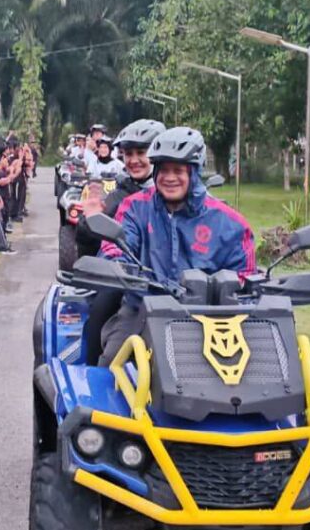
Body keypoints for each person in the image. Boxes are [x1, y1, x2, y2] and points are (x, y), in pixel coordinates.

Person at [97, 127, 256, 366]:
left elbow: (245, 276)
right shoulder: (134, 208)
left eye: (179, 170)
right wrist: (121, 268)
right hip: (142, 310)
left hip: (213, 321)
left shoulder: (231, 224)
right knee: (111, 367)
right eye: (164, 170)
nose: (170, 178)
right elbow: (115, 248)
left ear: (194, 172)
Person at [78, 119, 165, 364]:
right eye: (129, 154)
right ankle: (93, 370)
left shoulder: (180, 194)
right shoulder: (119, 196)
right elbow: (88, 238)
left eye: (141, 153)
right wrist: (90, 220)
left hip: (173, 281)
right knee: (102, 304)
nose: (134, 160)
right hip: (129, 278)